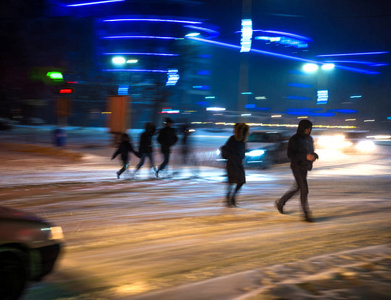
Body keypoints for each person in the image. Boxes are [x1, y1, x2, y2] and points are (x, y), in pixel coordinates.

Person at [275, 119, 319, 222]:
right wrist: (305, 156)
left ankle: (281, 202)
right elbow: (290, 155)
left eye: (310, 128)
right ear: (302, 128)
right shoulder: (294, 139)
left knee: (298, 188)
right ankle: (306, 214)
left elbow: (311, 151)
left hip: (305, 167)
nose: (309, 130)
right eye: (307, 128)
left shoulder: (309, 139)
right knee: (304, 189)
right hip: (297, 167)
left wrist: (314, 155)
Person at [221, 123, 250, 207]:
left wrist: (244, 153)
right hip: (232, 163)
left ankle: (232, 197)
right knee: (232, 182)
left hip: (238, 163)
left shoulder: (243, 141)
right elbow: (227, 149)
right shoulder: (232, 139)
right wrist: (233, 156)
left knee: (241, 181)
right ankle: (229, 199)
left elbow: (241, 151)